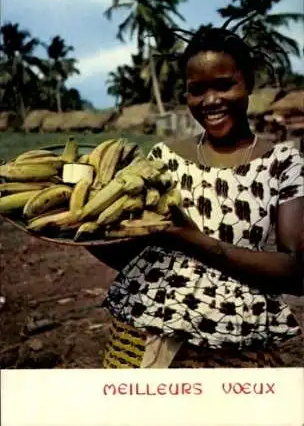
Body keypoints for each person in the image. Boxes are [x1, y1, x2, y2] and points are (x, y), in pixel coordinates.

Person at [89, 26, 304, 368]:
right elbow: (140, 258)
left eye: (224, 85)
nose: (210, 100)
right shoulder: (163, 160)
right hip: (144, 337)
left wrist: (191, 239)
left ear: (247, 83)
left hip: (234, 344)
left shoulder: (282, 164)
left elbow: (296, 271)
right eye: (196, 90)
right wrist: (87, 230)